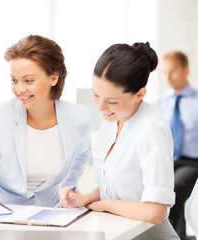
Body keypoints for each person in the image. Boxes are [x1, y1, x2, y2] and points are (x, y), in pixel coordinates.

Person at [0, 34, 91, 209]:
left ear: (54, 77)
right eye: (14, 80)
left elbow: (80, 161)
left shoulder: (78, 117)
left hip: (47, 214)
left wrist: (68, 193)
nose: (19, 89)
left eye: (29, 80)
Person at [59, 42, 179, 239]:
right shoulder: (112, 119)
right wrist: (84, 199)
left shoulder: (151, 126)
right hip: (118, 231)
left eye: (112, 101)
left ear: (140, 94)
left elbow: (155, 212)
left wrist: (105, 205)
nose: (101, 107)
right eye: (96, 95)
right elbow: (119, 185)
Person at [154, 51, 198, 239]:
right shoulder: (159, 103)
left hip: (191, 162)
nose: (168, 77)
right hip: (166, 160)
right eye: (164, 73)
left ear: (185, 70)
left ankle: (174, 237)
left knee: (174, 189)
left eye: (172, 71)